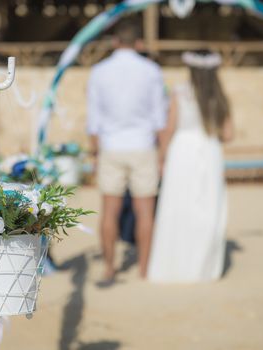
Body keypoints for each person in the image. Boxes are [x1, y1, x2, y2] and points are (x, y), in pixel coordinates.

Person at [87, 20, 167, 283]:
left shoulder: (98, 71)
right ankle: (144, 268)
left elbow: (93, 119)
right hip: (143, 145)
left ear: (115, 42)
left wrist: (94, 152)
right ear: (140, 44)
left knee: (109, 211)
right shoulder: (152, 71)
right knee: (145, 211)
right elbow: (160, 119)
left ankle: (110, 267)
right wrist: (163, 154)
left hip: (111, 146)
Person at [147, 51, 234, 283]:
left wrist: (162, 158)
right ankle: (203, 269)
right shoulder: (220, 96)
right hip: (210, 150)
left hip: (182, 153)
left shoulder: (180, 92)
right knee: (208, 208)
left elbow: (169, 129)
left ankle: (176, 267)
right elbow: (229, 134)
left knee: (178, 207)